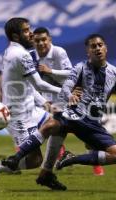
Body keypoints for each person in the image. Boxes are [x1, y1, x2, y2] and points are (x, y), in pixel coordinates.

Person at [0, 33, 116, 189]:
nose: (97, 48)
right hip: (72, 114)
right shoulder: (80, 68)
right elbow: (66, 88)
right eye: (93, 46)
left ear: (106, 48)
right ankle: (17, 157)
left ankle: (71, 159)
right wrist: (70, 96)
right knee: (51, 124)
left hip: (92, 122)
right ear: (88, 51)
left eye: (100, 45)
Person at [0, 17, 67, 191]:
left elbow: (28, 86)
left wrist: (44, 103)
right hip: (18, 116)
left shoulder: (10, 52)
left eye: (30, 29)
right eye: (26, 30)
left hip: (31, 110)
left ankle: (47, 174)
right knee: (34, 160)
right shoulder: (21, 55)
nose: (31, 33)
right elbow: (39, 84)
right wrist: (67, 93)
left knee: (59, 125)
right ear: (16, 36)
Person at [32, 27, 105, 176]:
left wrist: (50, 71)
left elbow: (70, 75)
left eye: (44, 39)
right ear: (33, 41)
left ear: (49, 40)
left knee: (87, 136)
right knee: (49, 132)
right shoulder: (31, 57)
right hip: (50, 103)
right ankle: (51, 166)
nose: (41, 43)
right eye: (37, 40)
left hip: (70, 100)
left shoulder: (58, 52)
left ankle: (94, 164)